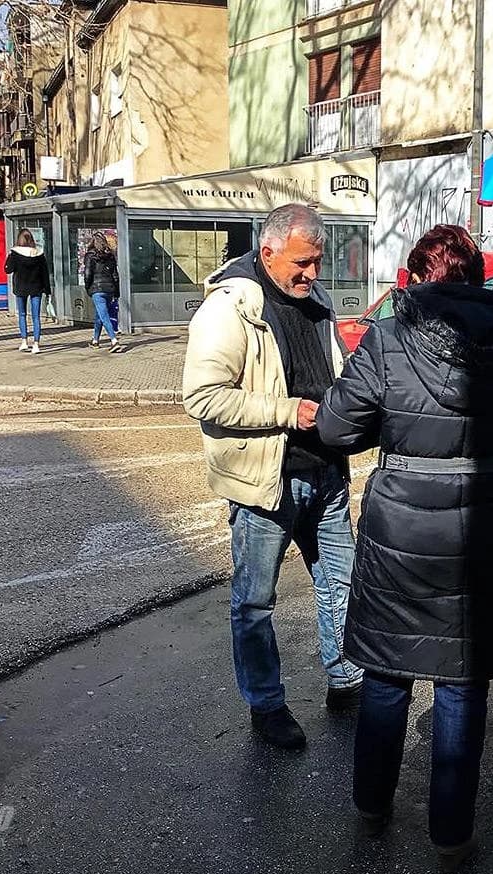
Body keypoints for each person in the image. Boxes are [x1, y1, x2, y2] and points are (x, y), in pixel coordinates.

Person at [316, 224, 493, 869]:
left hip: (402, 530)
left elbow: (338, 428)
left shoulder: (389, 339)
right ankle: (451, 835)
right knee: (464, 679)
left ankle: (372, 805)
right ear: (478, 278)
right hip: (490, 525)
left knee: (388, 674)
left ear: (419, 278)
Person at [182, 203, 364, 751]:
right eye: (302, 263)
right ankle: (266, 705)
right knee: (255, 602)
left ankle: (345, 679)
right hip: (266, 482)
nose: (312, 274)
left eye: (317, 262)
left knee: (342, 582)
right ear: (267, 252)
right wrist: (289, 410)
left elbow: (330, 374)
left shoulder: (318, 302)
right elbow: (202, 397)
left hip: (326, 474)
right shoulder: (228, 309)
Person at [4, 228, 51, 354]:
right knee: (36, 317)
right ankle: (36, 344)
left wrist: (9, 257)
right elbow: (45, 273)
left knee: (22, 315)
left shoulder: (15, 253)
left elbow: (7, 270)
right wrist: (47, 290)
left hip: (21, 287)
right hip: (36, 287)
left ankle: (24, 342)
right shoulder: (39, 254)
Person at [83, 233, 123, 352]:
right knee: (100, 315)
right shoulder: (110, 256)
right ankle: (95, 340)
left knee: (104, 316)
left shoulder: (90, 256)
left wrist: (88, 287)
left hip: (97, 289)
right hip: (109, 289)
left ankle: (113, 340)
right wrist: (116, 291)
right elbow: (115, 276)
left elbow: (88, 274)